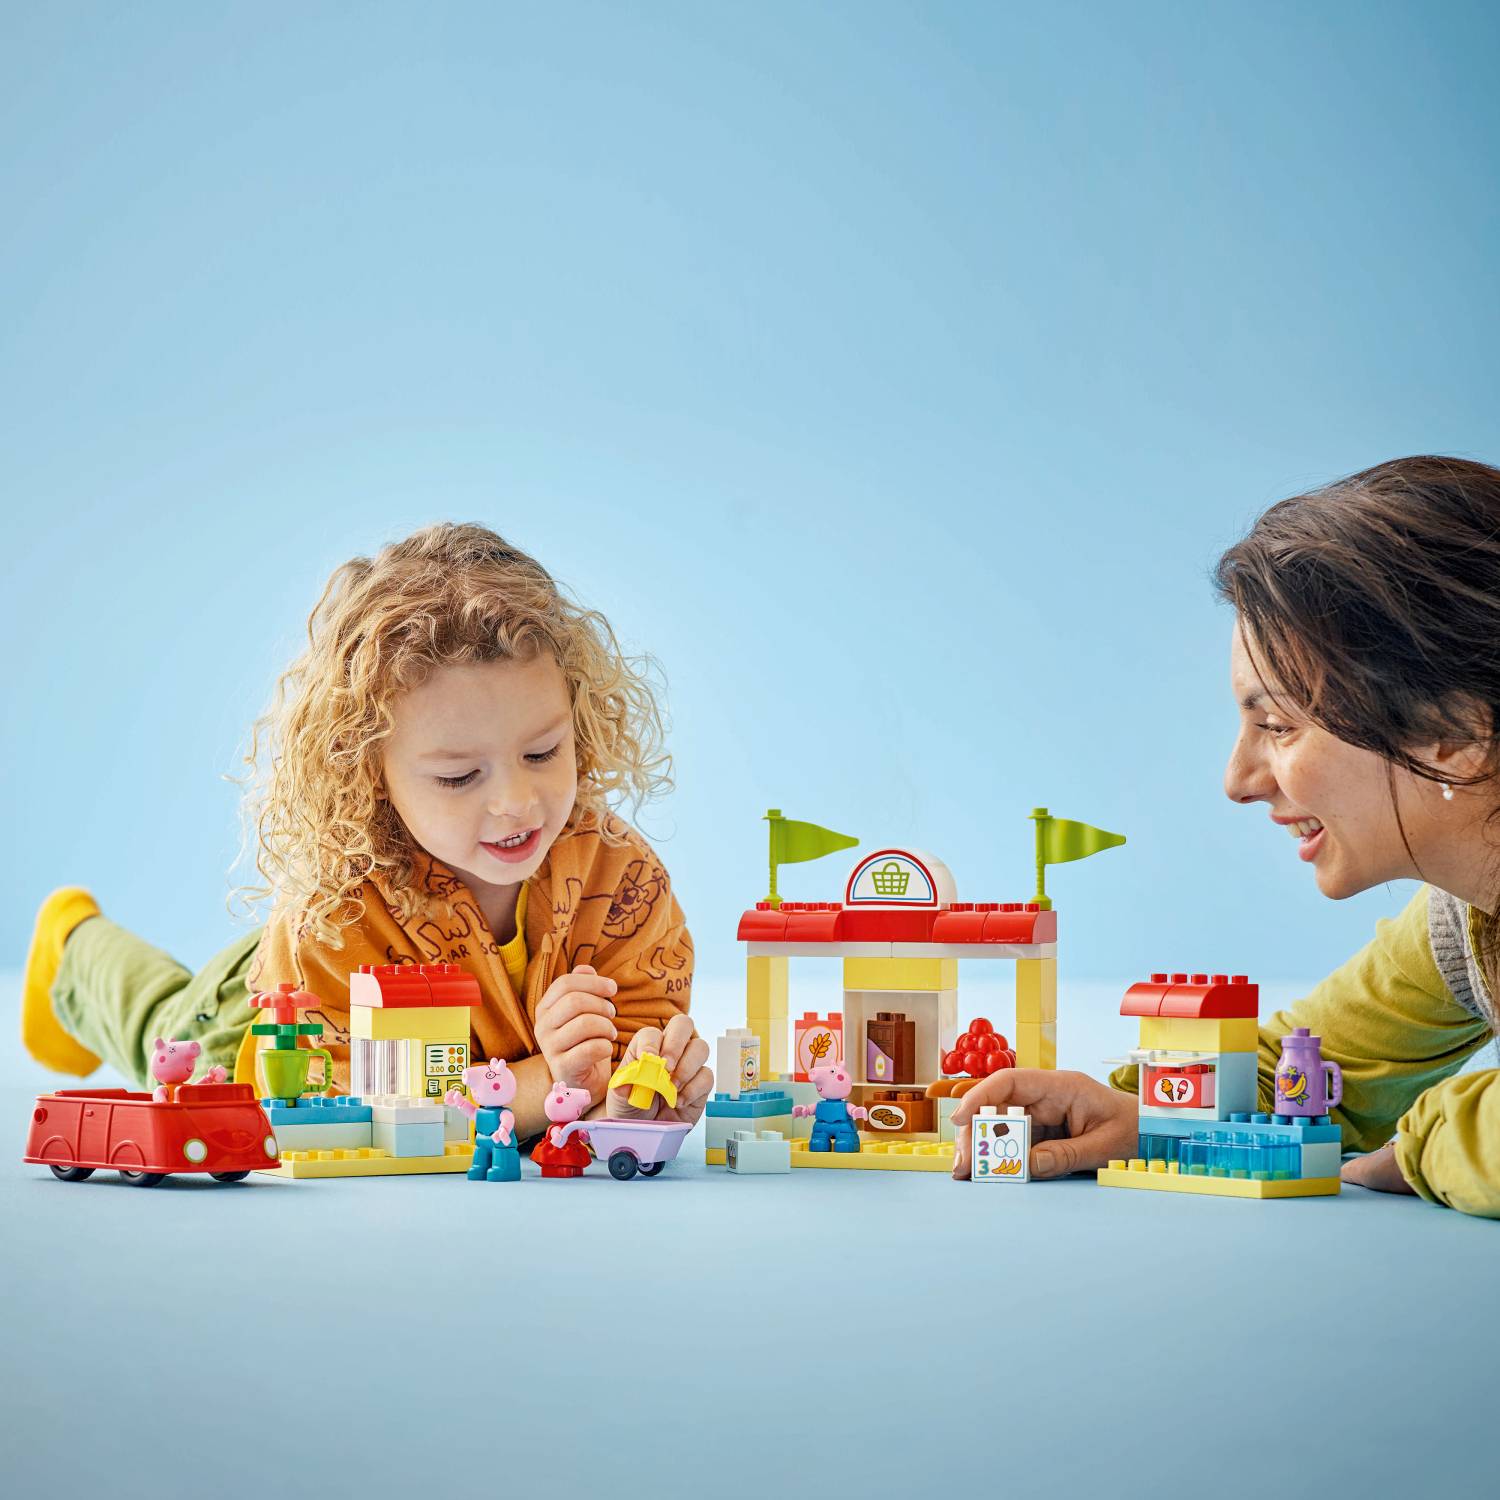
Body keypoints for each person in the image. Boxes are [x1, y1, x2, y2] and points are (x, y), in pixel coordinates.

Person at [21, 522, 710, 1137]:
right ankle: (71, 942)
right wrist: (545, 1085)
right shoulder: (331, 915)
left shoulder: (617, 874)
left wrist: (634, 1099)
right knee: (158, 1032)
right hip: (265, 1012)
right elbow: (337, 1106)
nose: (516, 802)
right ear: (368, 772)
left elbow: (635, 1044)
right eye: (458, 777)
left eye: (542, 753)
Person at [954, 456, 1500, 1217]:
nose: (1238, 781)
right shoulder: (1464, 919)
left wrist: (1429, 1144)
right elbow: (1302, 1076)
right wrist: (1143, 1117)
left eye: (1277, 725)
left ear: (1454, 733)